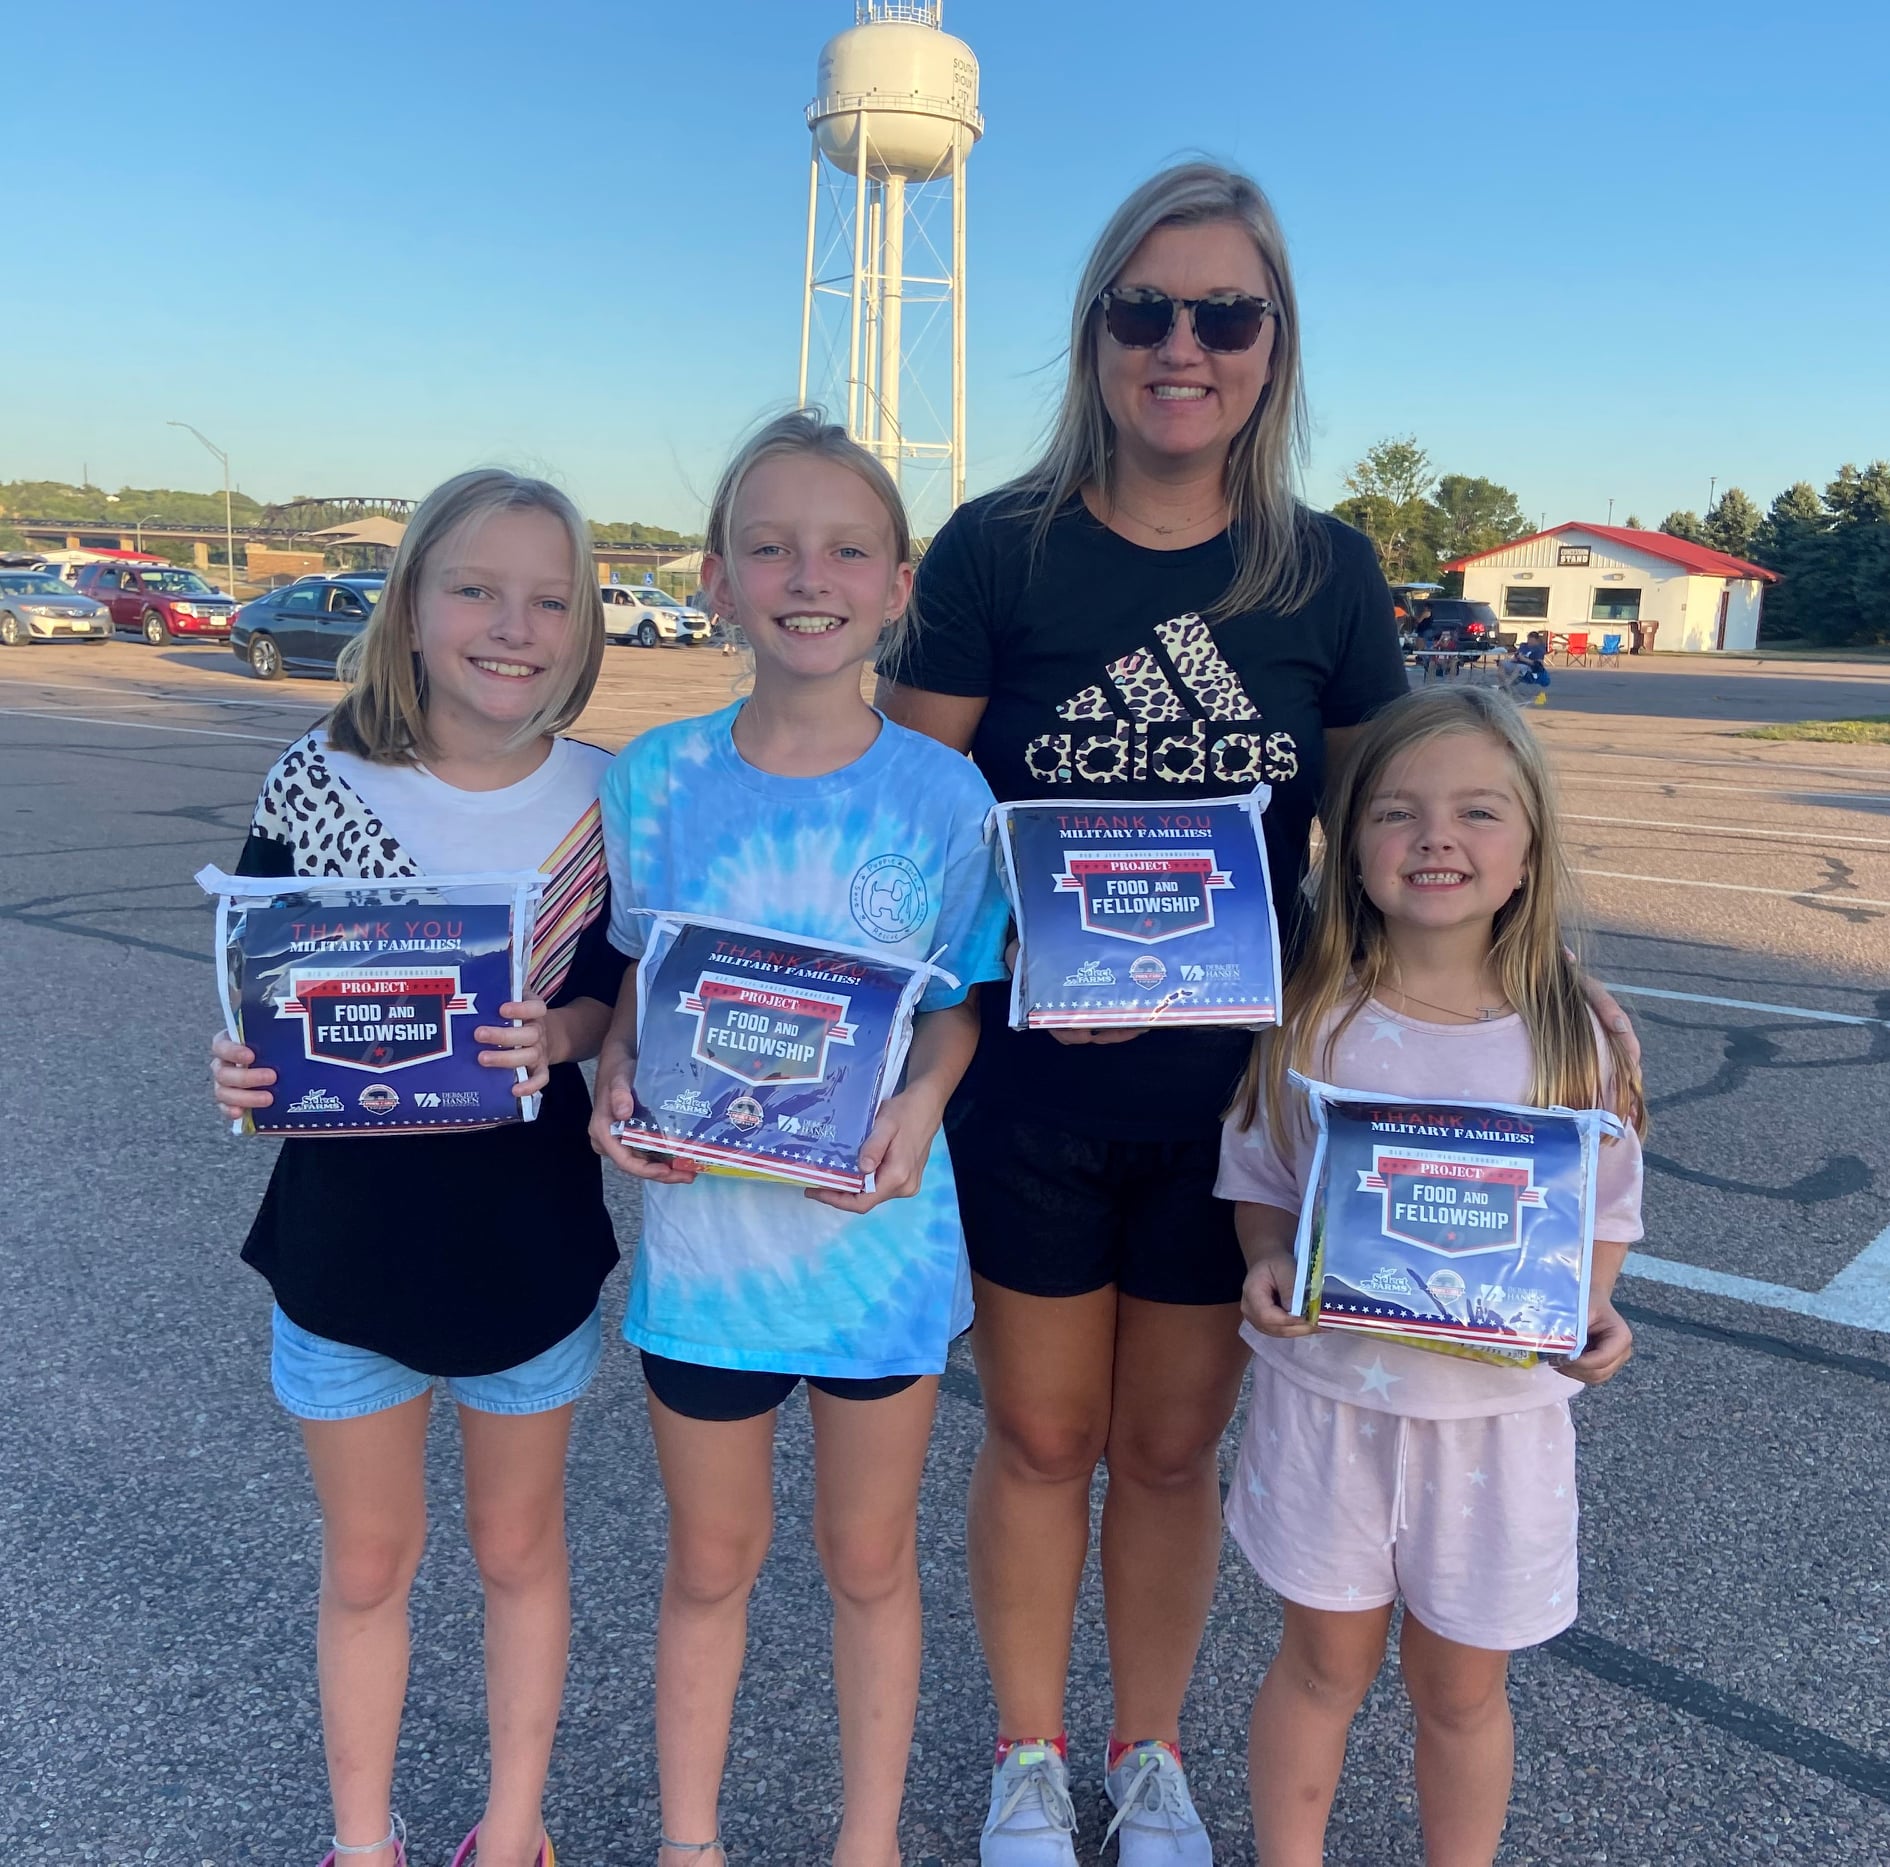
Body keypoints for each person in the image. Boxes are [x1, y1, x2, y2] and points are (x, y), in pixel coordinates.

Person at [875, 162, 1412, 1866]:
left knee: (1173, 1449)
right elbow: (909, 818)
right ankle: (1030, 1756)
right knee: (1042, 1432)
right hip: (1032, 1089)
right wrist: (1039, 935)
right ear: (1099, 329)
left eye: (1224, 314)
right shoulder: (998, 551)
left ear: (1272, 345)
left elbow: (1389, 854)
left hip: (1230, 1109)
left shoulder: (1324, 573)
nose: (1184, 344)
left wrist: (1532, 1016)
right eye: (1146, 309)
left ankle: (1151, 1748)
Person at [588, 411, 1010, 1867]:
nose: (805, 572)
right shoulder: (650, 779)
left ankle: (867, 1837)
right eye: (768, 545)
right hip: (710, 1255)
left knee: (867, 1560)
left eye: (845, 546)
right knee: (710, 1563)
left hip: (875, 1251)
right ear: (714, 579)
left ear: (897, 585)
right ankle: (689, 1840)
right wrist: (613, 1079)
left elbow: (957, 998)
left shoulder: (942, 796)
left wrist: (921, 1100)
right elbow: (637, 978)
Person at [209, 470, 622, 1867]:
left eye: (549, 598)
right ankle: (360, 1836)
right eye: (475, 588)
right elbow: (263, 998)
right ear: (412, 605)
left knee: (518, 1549)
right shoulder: (317, 777)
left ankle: (513, 1823)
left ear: (582, 626)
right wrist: (242, 1071)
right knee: (371, 1557)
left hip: (528, 1240)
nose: (513, 624)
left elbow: (617, 1003)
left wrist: (559, 1026)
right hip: (345, 1243)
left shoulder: (609, 803)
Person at [1221, 683, 1646, 1867]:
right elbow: (1258, 1176)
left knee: (1461, 1690)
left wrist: (1593, 1311)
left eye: (1478, 812)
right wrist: (1266, 1266)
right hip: (1332, 1406)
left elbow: (1603, 1217)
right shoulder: (1316, 1021)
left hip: (1496, 1427)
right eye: (1398, 813)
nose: (1437, 838)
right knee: (1321, 1666)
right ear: (1352, 847)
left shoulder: (1576, 1035)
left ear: (1530, 854)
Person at [1499, 629, 1552, 705]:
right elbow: (1516, 655)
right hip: (1517, 662)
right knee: (1502, 663)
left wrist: (1524, 659)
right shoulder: (1523, 646)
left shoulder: (1539, 649)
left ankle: (1506, 686)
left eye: (1531, 640)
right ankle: (1504, 684)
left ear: (1536, 640)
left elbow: (1539, 665)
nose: (1529, 642)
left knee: (1519, 667)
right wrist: (1514, 659)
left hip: (1529, 667)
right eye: (1528, 639)